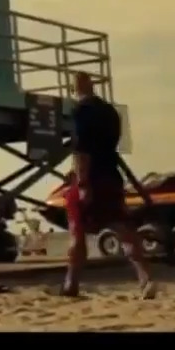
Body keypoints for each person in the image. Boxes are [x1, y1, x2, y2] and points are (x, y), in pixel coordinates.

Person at [62, 72, 157, 299]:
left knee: (77, 230)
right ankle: (145, 278)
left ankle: (71, 284)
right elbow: (111, 146)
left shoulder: (81, 112)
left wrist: (83, 182)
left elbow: (82, 151)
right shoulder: (110, 112)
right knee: (123, 228)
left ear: (76, 88)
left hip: (91, 177)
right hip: (111, 175)